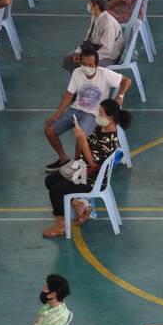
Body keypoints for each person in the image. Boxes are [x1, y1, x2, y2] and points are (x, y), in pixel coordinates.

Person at [41, 97, 129, 238]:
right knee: (50, 180)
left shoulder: (110, 140)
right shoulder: (101, 128)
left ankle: (61, 223)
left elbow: (94, 163)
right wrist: (80, 140)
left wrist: (82, 140)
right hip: (83, 170)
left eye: (100, 113)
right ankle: (79, 204)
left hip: (92, 180)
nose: (98, 115)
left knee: (56, 190)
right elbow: (85, 147)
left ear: (110, 117)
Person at [43, 48, 130, 169]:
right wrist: (57, 115)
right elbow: (68, 95)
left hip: (93, 114)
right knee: (49, 130)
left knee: (80, 135)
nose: (86, 67)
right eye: (83, 64)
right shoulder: (77, 72)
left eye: (90, 65)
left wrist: (120, 95)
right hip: (75, 110)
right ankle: (63, 158)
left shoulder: (105, 74)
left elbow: (127, 81)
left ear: (97, 64)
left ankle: (77, 163)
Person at [61, 0, 123, 71]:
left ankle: (88, 82)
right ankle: (80, 81)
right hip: (95, 49)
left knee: (87, 66)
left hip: (108, 56)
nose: (88, 5)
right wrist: (78, 51)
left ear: (96, 6)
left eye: (89, 3)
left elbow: (106, 50)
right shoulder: (95, 16)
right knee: (69, 58)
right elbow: (88, 39)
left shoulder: (108, 24)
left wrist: (85, 57)